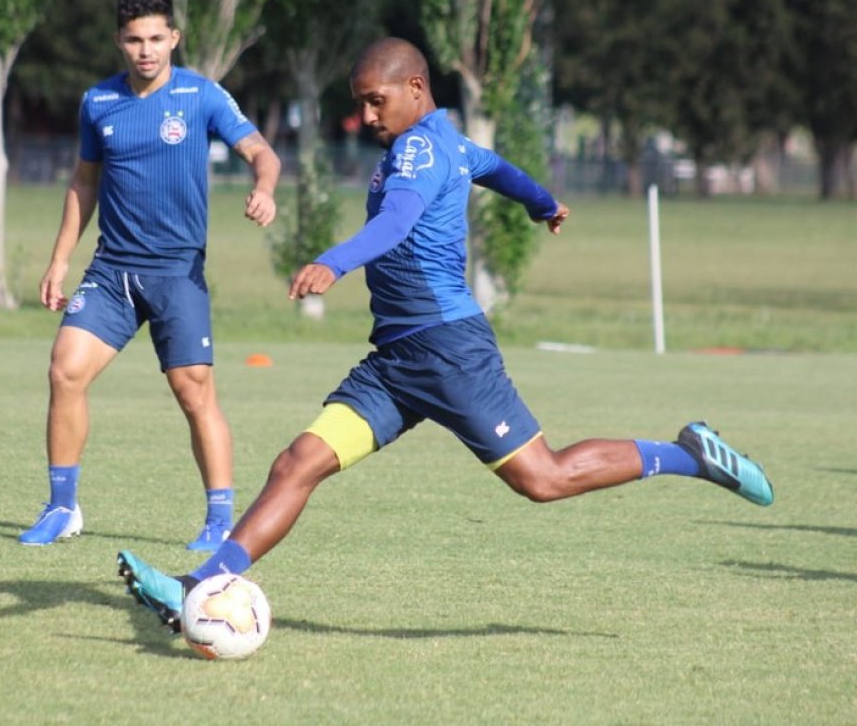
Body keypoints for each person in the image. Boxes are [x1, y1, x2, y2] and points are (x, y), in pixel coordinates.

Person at [116, 37, 773, 628]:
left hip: (449, 350)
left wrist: (333, 261)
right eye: (361, 104)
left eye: (376, 102)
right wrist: (542, 202)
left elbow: (395, 222)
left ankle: (690, 455)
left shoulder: (423, 148)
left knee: (542, 479)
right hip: (397, 361)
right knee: (299, 461)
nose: (367, 116)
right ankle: (197, 584)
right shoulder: (445, 142)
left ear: (415, 90)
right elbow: (496, 169)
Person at [19, 0, 281, 550]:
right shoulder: (98, 102)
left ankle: (219, 521)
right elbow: (84, 182)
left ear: (174, 39)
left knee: (194, 392)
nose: (146, 50)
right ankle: (62, 508)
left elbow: (264, 152)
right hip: (112, 271)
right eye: (135, 39)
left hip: (176, 273)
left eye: (156, 38)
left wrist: (265, 189)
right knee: (65, 370)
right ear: (120, 41)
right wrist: (59, 260)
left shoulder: (202, 96)